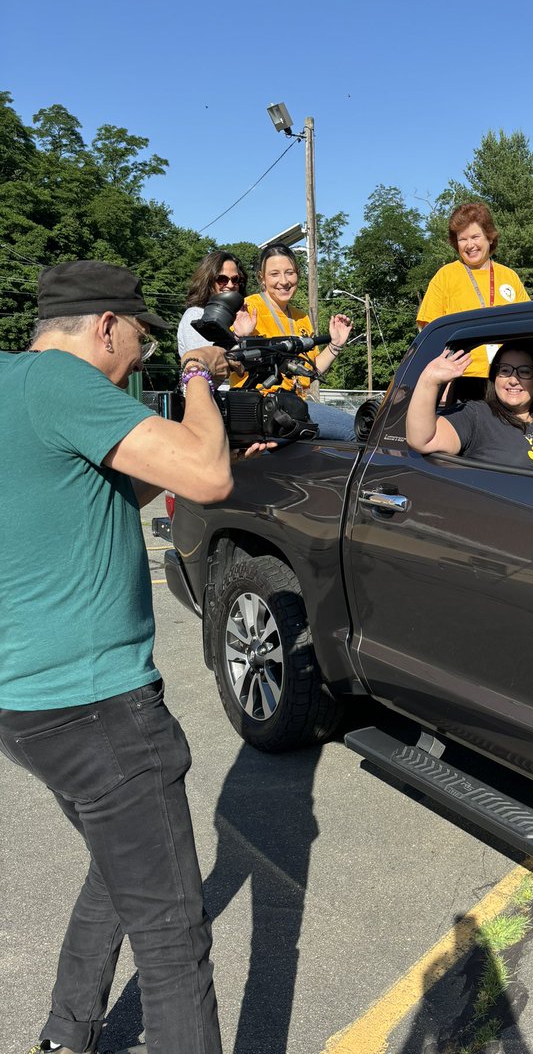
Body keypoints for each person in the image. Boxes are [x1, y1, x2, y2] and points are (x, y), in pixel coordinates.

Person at [0, 261, 232, 1054]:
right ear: (104, 326)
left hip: (25, 704)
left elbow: (78, 489)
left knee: (118, 858)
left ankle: (67, 1034)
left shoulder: (13, 386)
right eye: (137, 338)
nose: (140, 357)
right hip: (96, 705)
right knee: (174, 944)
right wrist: (201, 377)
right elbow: (208, 470)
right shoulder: (67, 383)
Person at [406, 340, 533, 476]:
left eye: (524, 371)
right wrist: (429, 380)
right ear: (495, 377)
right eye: (505, 370)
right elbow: (423, 440)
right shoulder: (477, 415)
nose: (513, 379)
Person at [235, 243, 357, 440]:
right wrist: (242, 338)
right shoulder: (248, 309)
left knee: (361, 428)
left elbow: (311, 370)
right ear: (262, 278)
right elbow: (233, 361)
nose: (284, 281)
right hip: (263, 405)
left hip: (294, 403)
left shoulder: (301, 317)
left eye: (289, 272)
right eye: (274, 274)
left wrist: (336, 344)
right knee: (355, 431)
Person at [416, 203, 530, 379]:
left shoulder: (509, 277)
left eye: (475, 236)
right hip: (461, 378)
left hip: (508, 378)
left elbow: (528, 327)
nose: (470, 245)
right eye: (462, 239)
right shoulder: (445, 275)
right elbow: (428, 333)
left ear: (489, 237)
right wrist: (440, 381)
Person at [176, 249, 257, 360]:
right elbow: (212, 362)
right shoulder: (196, 314)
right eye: (222, 279)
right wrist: (239, 339)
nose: (230, 285)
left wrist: (245, 336)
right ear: (208, 281)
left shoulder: (240, 317)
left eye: (235, 279)